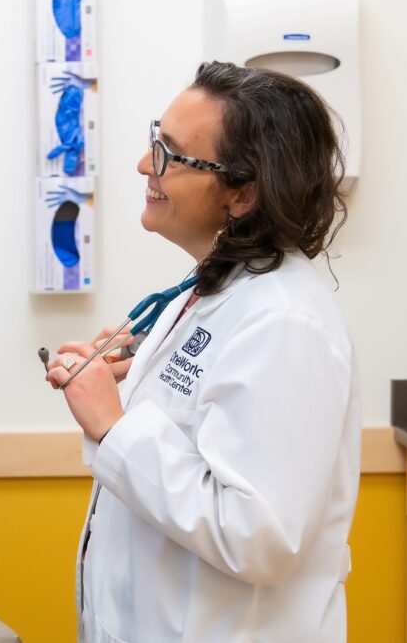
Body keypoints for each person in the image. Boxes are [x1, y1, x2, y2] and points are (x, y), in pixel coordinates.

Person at [45, 61, 359, 642]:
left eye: (169, 154)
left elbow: (259, 537)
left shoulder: (285, 322)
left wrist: (113, 427)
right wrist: (141, 370)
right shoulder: (211, 293)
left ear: (243, 194)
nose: (145, 166)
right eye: (152, 142)